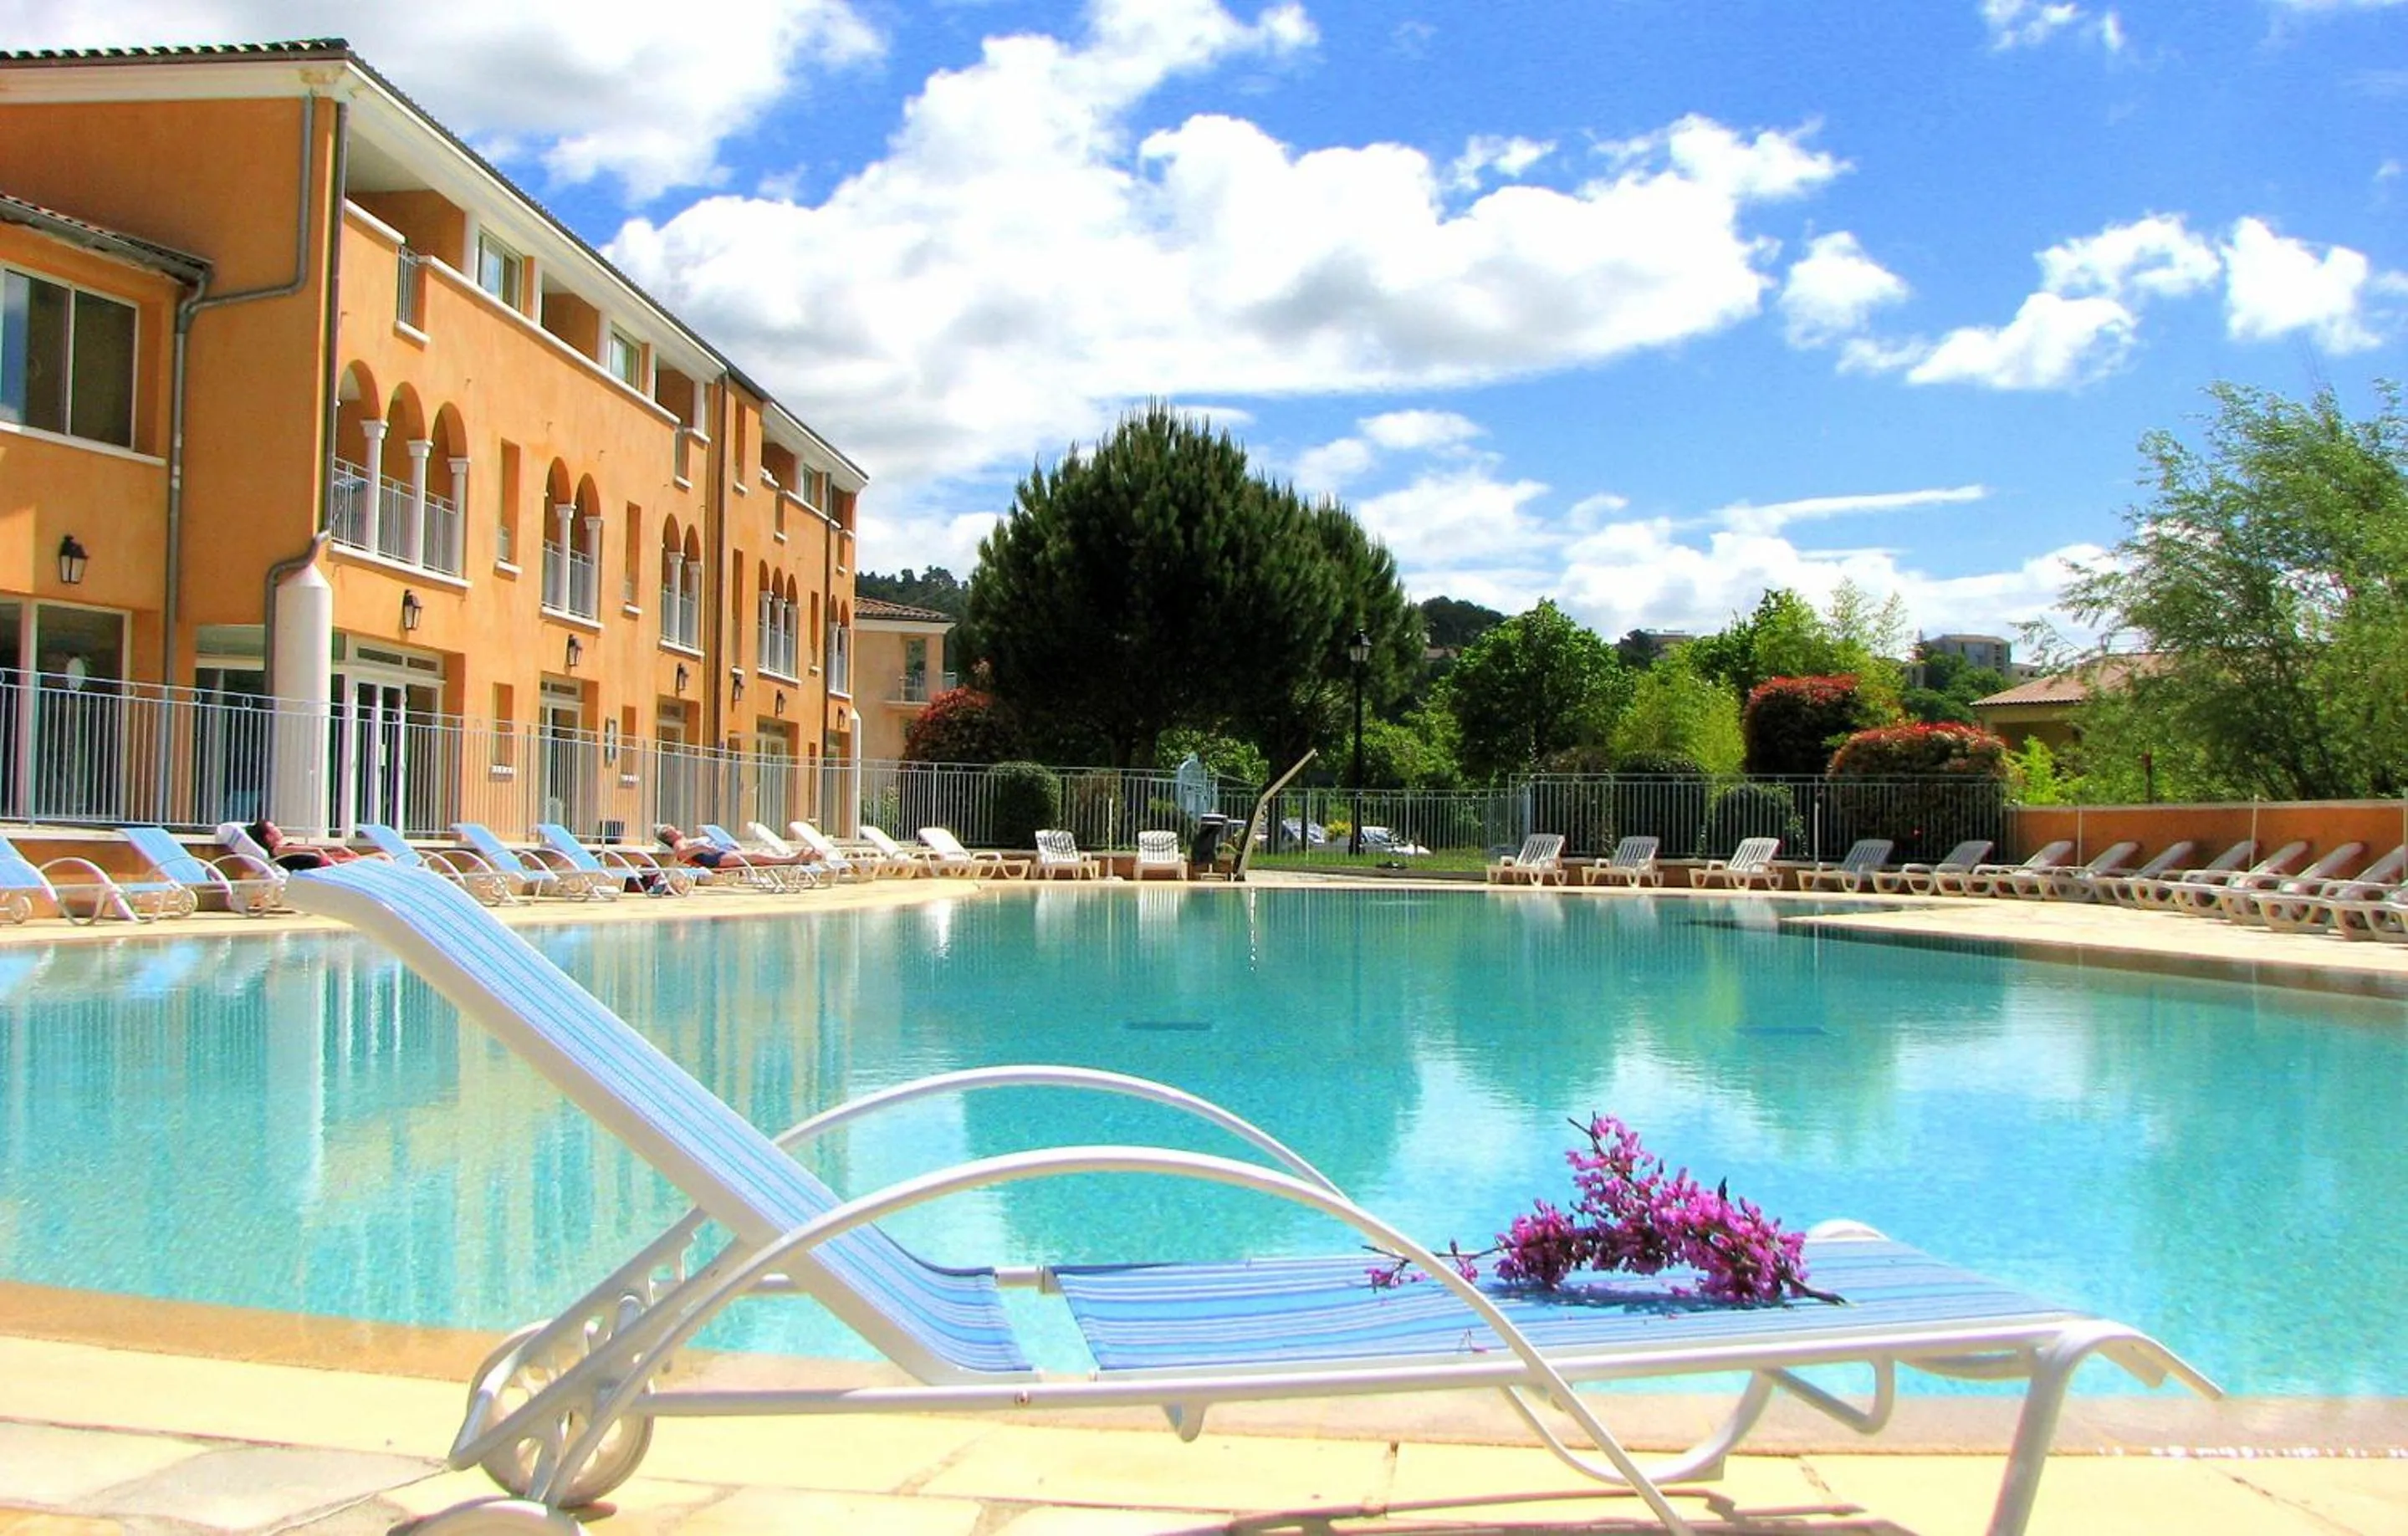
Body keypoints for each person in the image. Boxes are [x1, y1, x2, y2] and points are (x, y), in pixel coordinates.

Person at [655, 824, 820, 870]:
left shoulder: (686, 840)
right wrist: (703, 847)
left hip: (720, 853)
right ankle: (793, 860)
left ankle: (796, 860)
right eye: (674, 830)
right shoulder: (679, 843)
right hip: (714, 859)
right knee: (757, 857)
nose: (678, 829)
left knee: (758, 855)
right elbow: (682, 855)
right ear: (671, 836)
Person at [248, 819, 361, 871]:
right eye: (274, 828)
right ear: (269, 837)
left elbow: (312, 850)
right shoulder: (278, 850)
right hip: (321, 867)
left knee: (375, 857)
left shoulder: (283, 847)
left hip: (323, 863)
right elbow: (315, 850)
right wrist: (334, 855)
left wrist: (338, 849)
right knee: (375, 858)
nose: (278, 829)